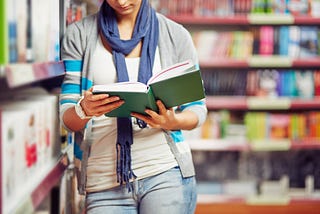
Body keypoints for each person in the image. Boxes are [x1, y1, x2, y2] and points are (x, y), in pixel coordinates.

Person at [59, 0, 207, 213]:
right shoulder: (79, 35)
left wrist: (172, 121)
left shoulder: (176, 35)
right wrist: (84, 109)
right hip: (103, 184)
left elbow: (197, 109)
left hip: (165, 172)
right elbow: (67, 119)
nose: (121, 1)